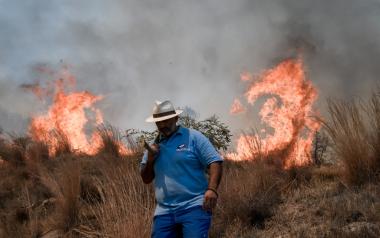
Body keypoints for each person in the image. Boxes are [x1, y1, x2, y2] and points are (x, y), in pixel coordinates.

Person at [140, 100, 223, 238]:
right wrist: (150, 161)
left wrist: (212, 189)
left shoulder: (193, 137)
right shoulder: (152, 147)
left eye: (166, 120)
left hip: (194, 207)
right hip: (164, 211)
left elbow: (215, 161)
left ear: (176, 118)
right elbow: (146, 179)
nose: (162, 125)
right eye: (158, 122)